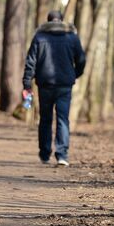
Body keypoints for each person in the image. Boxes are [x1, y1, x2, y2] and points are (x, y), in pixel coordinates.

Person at [23, 11, 86, 166]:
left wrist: (27, 83)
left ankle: (44, 154)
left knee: (45, 119)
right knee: (63, 119)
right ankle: (62, 154)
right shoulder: (72, 37)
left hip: (45, 84)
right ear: (62, 21)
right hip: (65, 84)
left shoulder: (39, 37)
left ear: (48, 21)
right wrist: (74, 74)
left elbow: (30, 62)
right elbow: (82, 60)